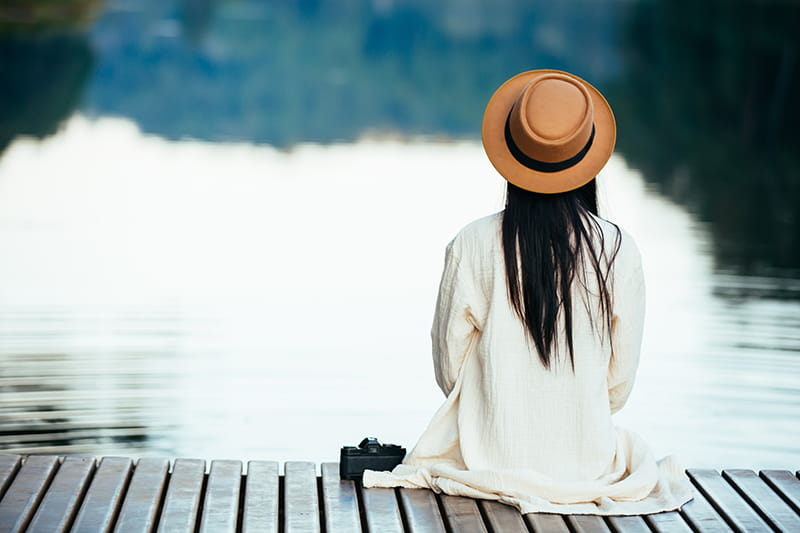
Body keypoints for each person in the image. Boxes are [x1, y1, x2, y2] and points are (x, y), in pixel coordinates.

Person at [363, 70, 694, 514]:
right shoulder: (618, 250)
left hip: (487, 459)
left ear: (511, 153)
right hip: (586, 463)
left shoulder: (472, 243)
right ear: (586, 157)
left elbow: (449, 368)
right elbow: (617, 385)